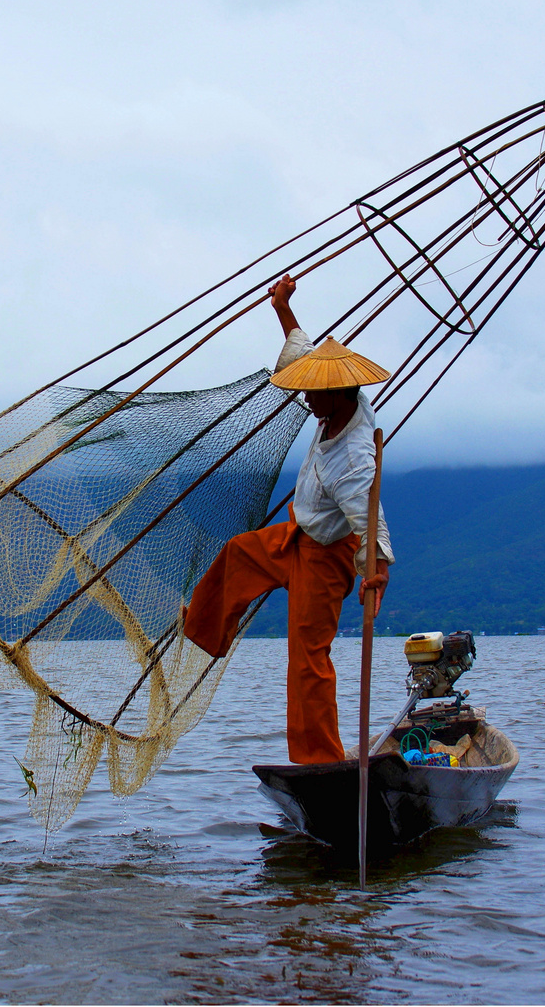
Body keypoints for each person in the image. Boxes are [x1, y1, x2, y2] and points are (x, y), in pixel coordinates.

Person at [182, 273, 393, 763]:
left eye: (314, 395)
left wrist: (376, 577)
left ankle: (320, 760)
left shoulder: (356, 460)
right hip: (297, 534)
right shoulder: (343, 399)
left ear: (339, 395)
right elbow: (303, 356)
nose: (306, 400)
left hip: (328, 559)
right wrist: (282, 306)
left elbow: (371, 527)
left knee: (307, 660)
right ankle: (201, 631)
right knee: (238, 552)